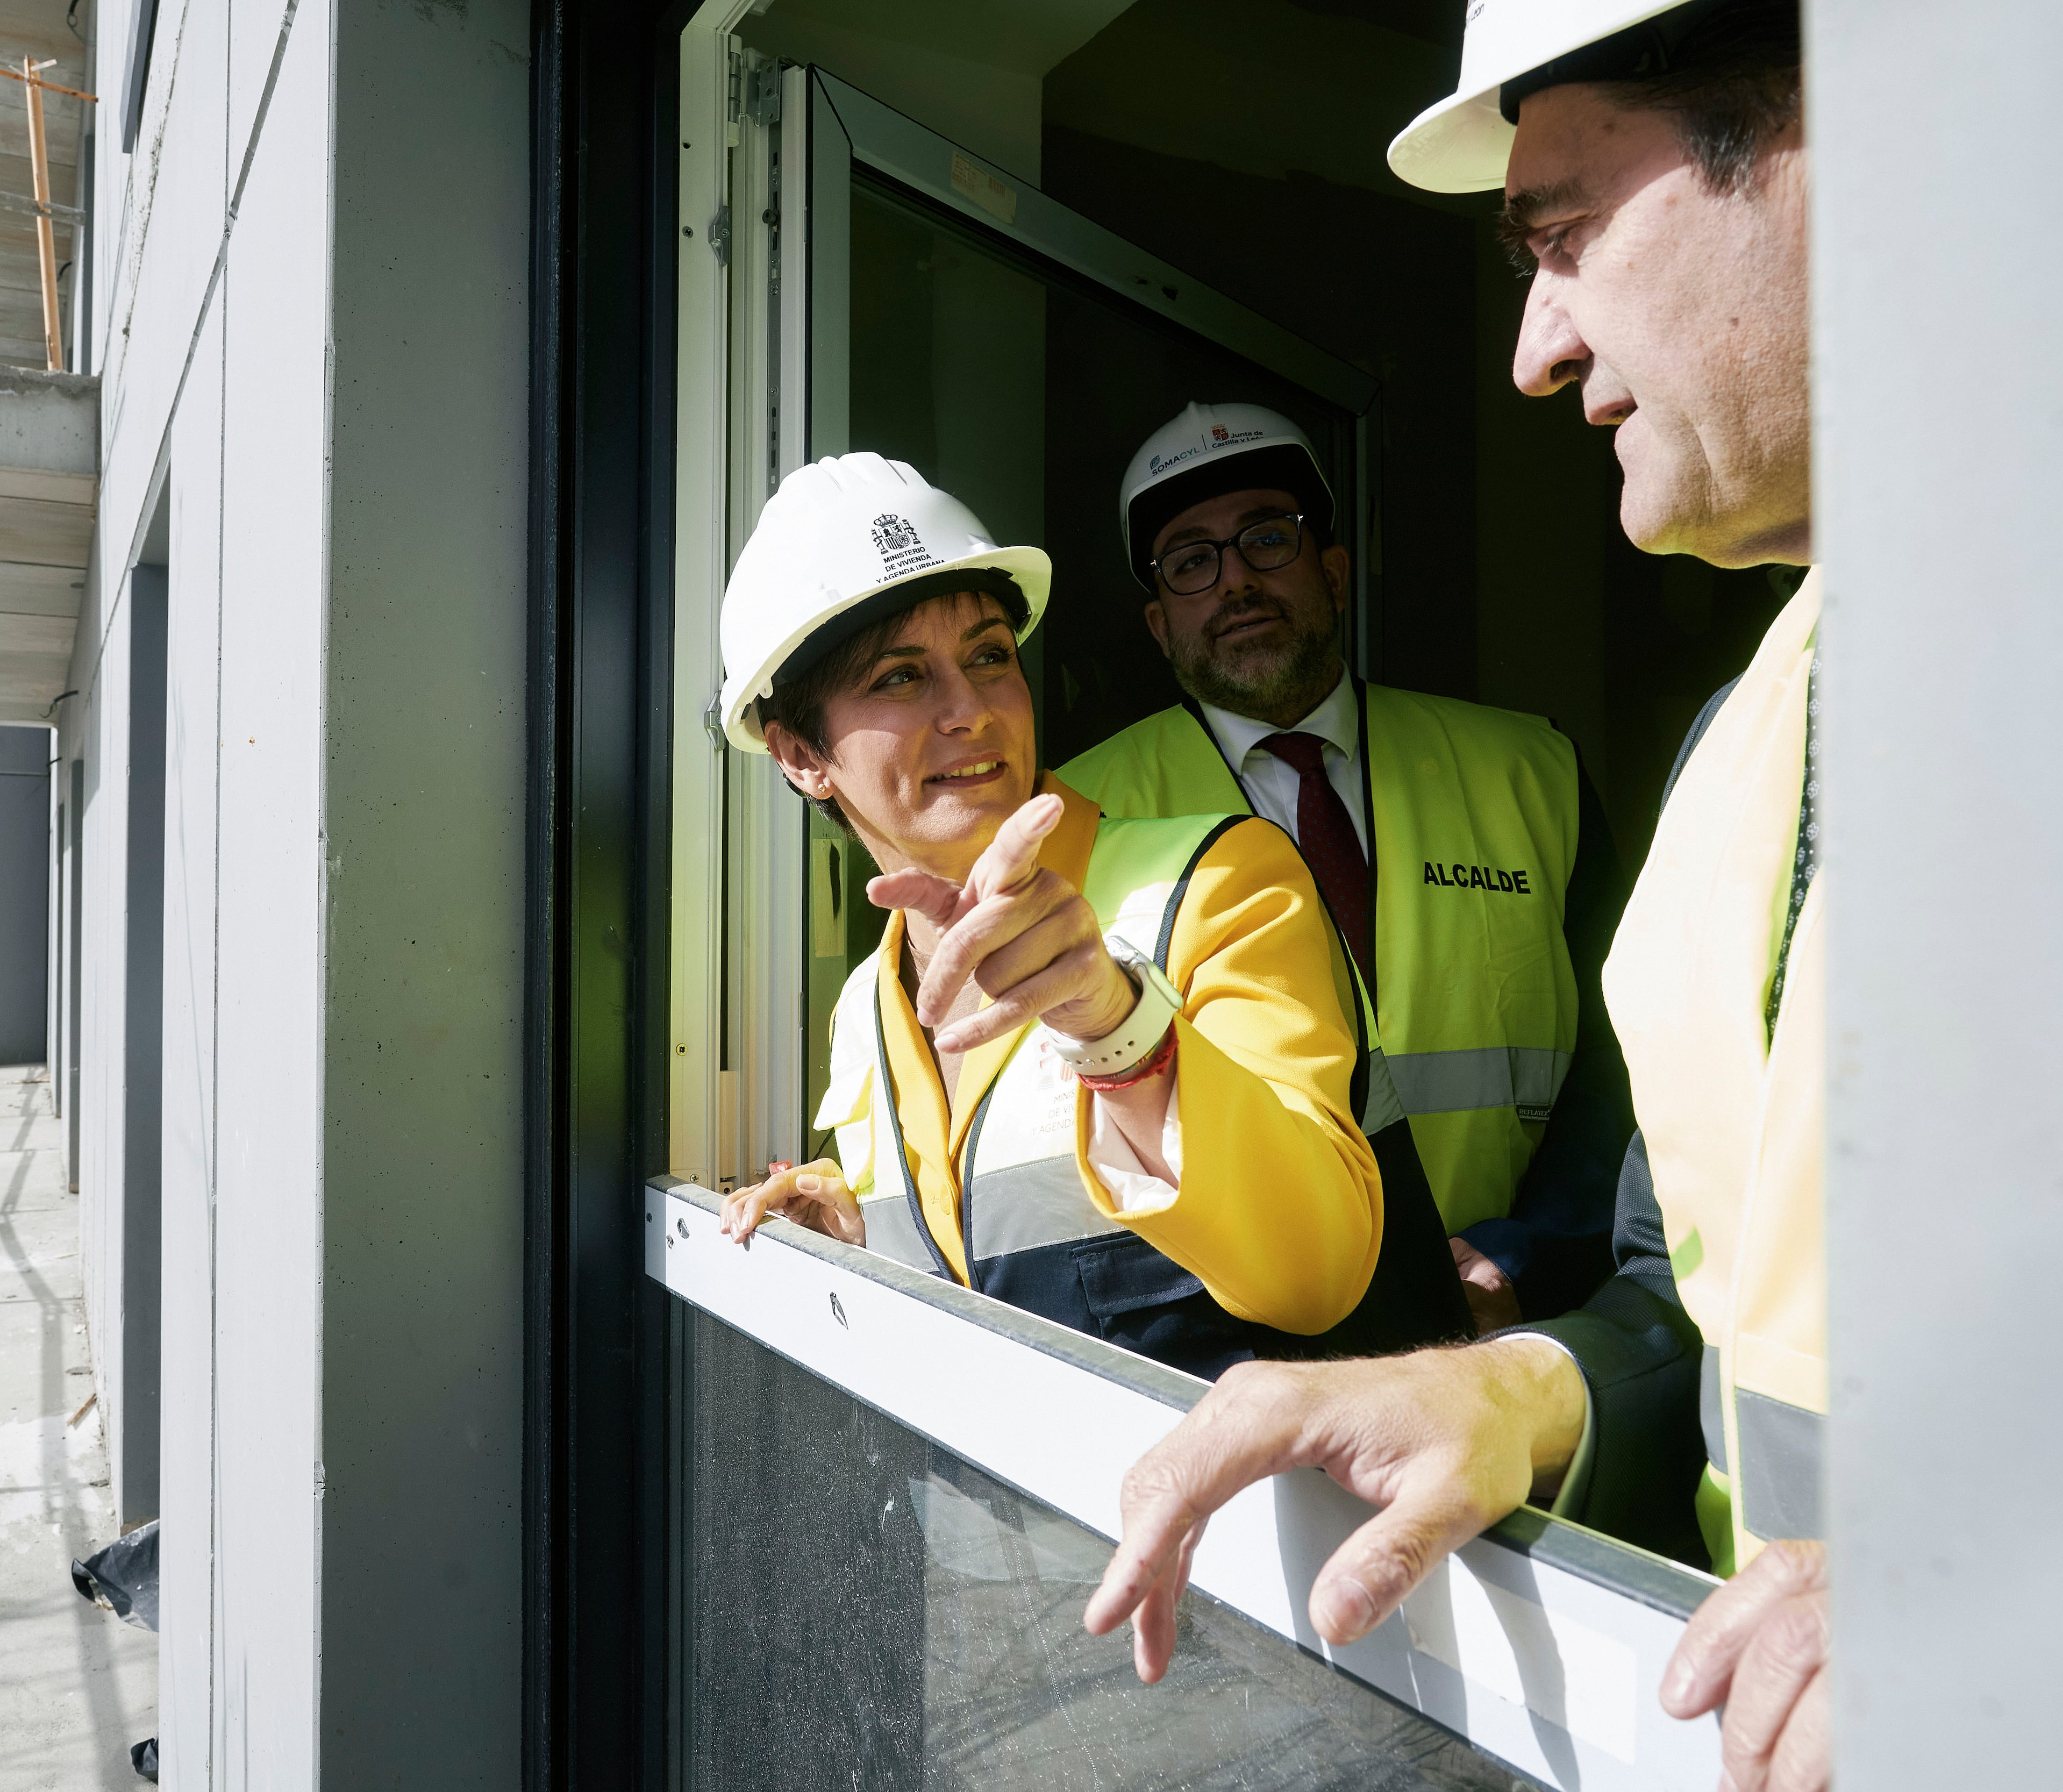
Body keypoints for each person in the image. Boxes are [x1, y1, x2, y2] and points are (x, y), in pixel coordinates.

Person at [1083, 3, 1831, 1787]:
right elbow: (1705, 1267)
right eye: (1186, 563)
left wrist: (2026, 1563)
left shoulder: (1531, 760)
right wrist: (1522, 1391)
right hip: (1406, 1488)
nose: (1533, 348)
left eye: (1564, 236)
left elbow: (1592, 1105)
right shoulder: (1747, 734)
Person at [715, 452, 1470, 1379]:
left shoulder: (1219, 883)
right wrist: (855, 1242)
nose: (972, 711)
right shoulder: (865, 1010)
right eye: (901, 677)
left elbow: (1314, 1272)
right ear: (800, 755)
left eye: (990, 656)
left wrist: (1119, 1029)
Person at [1058, 403, 1636, 1330]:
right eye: (1192, 559)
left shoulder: (1536, 772)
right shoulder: (1068, 819)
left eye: (1266, 537)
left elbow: (1625, 1058)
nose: (1236, 578)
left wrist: (1527, 1255)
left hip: (1509, 1322)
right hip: (1223, 1344)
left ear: (1331, 572)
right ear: (1161, 625)